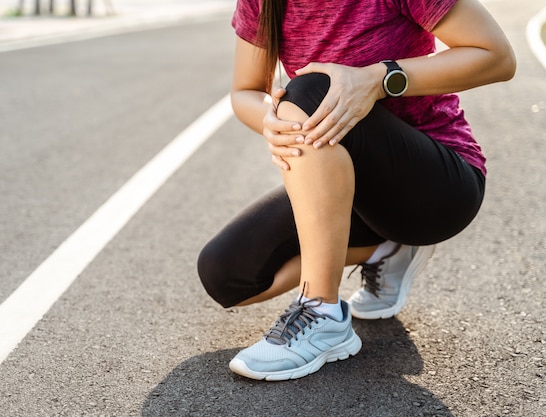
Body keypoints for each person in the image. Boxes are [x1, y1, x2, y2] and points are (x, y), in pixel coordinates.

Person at [197, 0, 516, 381]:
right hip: (348, 188)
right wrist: (270, 120)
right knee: (227, 274)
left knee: (313, 89)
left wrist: (378, 80)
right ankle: (389, 247)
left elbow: (496, 57)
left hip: (437, 188)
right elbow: (246, 91)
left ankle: (321, 311)